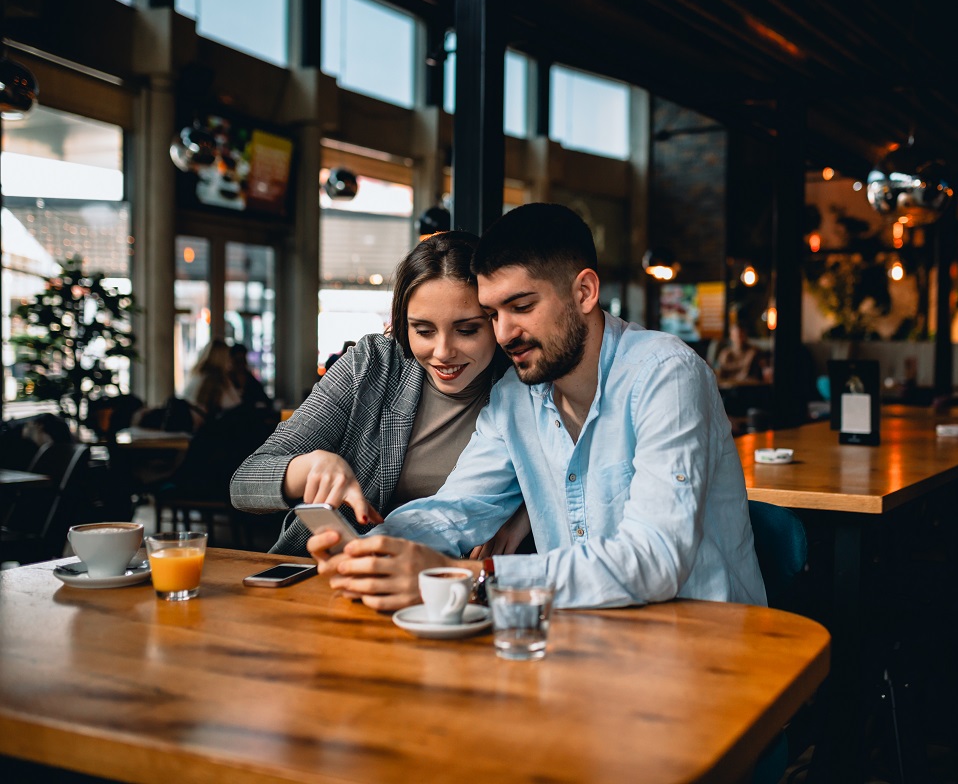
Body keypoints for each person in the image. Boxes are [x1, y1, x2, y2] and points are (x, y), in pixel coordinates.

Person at [307, 203, 766, 610]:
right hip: (582, 650)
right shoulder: (514, 397)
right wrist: (373, 552)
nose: (504, 333)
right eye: (492, 315)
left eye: (521, 305)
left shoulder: (666, 374)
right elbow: (456, 508)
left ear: (584, 292)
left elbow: (656, 560)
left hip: (703, 656)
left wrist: (474, 579)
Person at [230, 231, 522, 557]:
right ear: (403, 324)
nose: (443, 352)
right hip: (335, 572)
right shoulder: (372, 365)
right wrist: (308, 467)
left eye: (467, 330)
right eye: (423, 330)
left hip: (451, 586)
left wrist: (521, 515)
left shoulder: (521, 386)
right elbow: (243, 483)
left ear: (496, 323)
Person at [181, 340, 240, 428]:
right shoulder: (216, 380)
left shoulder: (198, 375)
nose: (230, 361)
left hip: (190, 428)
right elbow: (235, 406)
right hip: (205, 432)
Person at [714, 321, 762, 386]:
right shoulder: (726, 354)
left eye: (741, 335)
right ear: (731, 336)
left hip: (748, 389)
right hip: (729, 390)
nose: (739, 338)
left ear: (745, 335)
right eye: (736, 335)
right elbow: (719, 375)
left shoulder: (752, 352)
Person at [229, 343, 270, 407]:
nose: (240, 364)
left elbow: (265, 400)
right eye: (237, 360)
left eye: (242, 359)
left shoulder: (251, 380)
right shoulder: (226, 381)